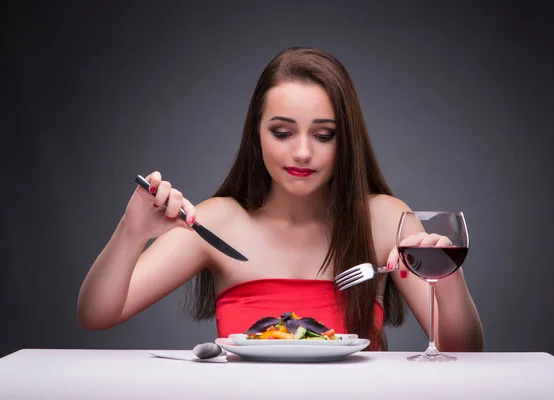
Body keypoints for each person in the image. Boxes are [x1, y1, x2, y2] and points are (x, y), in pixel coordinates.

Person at [77, 47, 484, 352]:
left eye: (324, 135)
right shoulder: (217, 221)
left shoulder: (384, 218)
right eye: (283, 132)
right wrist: (132, 232)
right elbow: (97, 315)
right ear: (257, 135)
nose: (303, 152)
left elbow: (463, 353)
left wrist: (448, 276)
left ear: (348, 142)